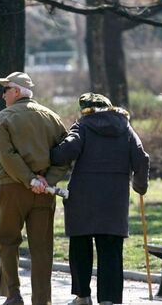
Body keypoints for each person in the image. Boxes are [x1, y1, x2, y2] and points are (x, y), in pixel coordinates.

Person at [50, 93, 150, 305]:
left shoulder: (83, 126)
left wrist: (52, 154)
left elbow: (67, 151)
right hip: (114, 202)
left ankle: (83, 296)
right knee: (111, 251)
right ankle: (108, 300)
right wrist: (140, 186)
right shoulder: (126, 128)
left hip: (82, 201)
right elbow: (141, 158)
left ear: (85, 109)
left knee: (80, 249)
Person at [0, 72, 69, 305]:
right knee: (42, 248)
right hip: (45, 192)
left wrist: (29, 180)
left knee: (7, 240)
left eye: (5, 90)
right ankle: (42, 301)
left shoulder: (5, 116)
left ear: (16, 91)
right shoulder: (53, 117)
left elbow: (6, 155)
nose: (3, 95)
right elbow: (65, 154)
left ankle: (13, 295)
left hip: (12, 187)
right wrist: (48, 181)